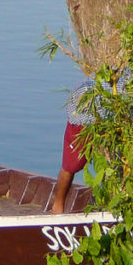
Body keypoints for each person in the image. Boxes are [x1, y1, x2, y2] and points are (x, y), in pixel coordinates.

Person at [51, 81, 94, 214]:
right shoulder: (87, 87)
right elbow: (74, 113)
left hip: (117, 121)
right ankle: (57, 205)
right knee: (71, 166)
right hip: (86, 121)